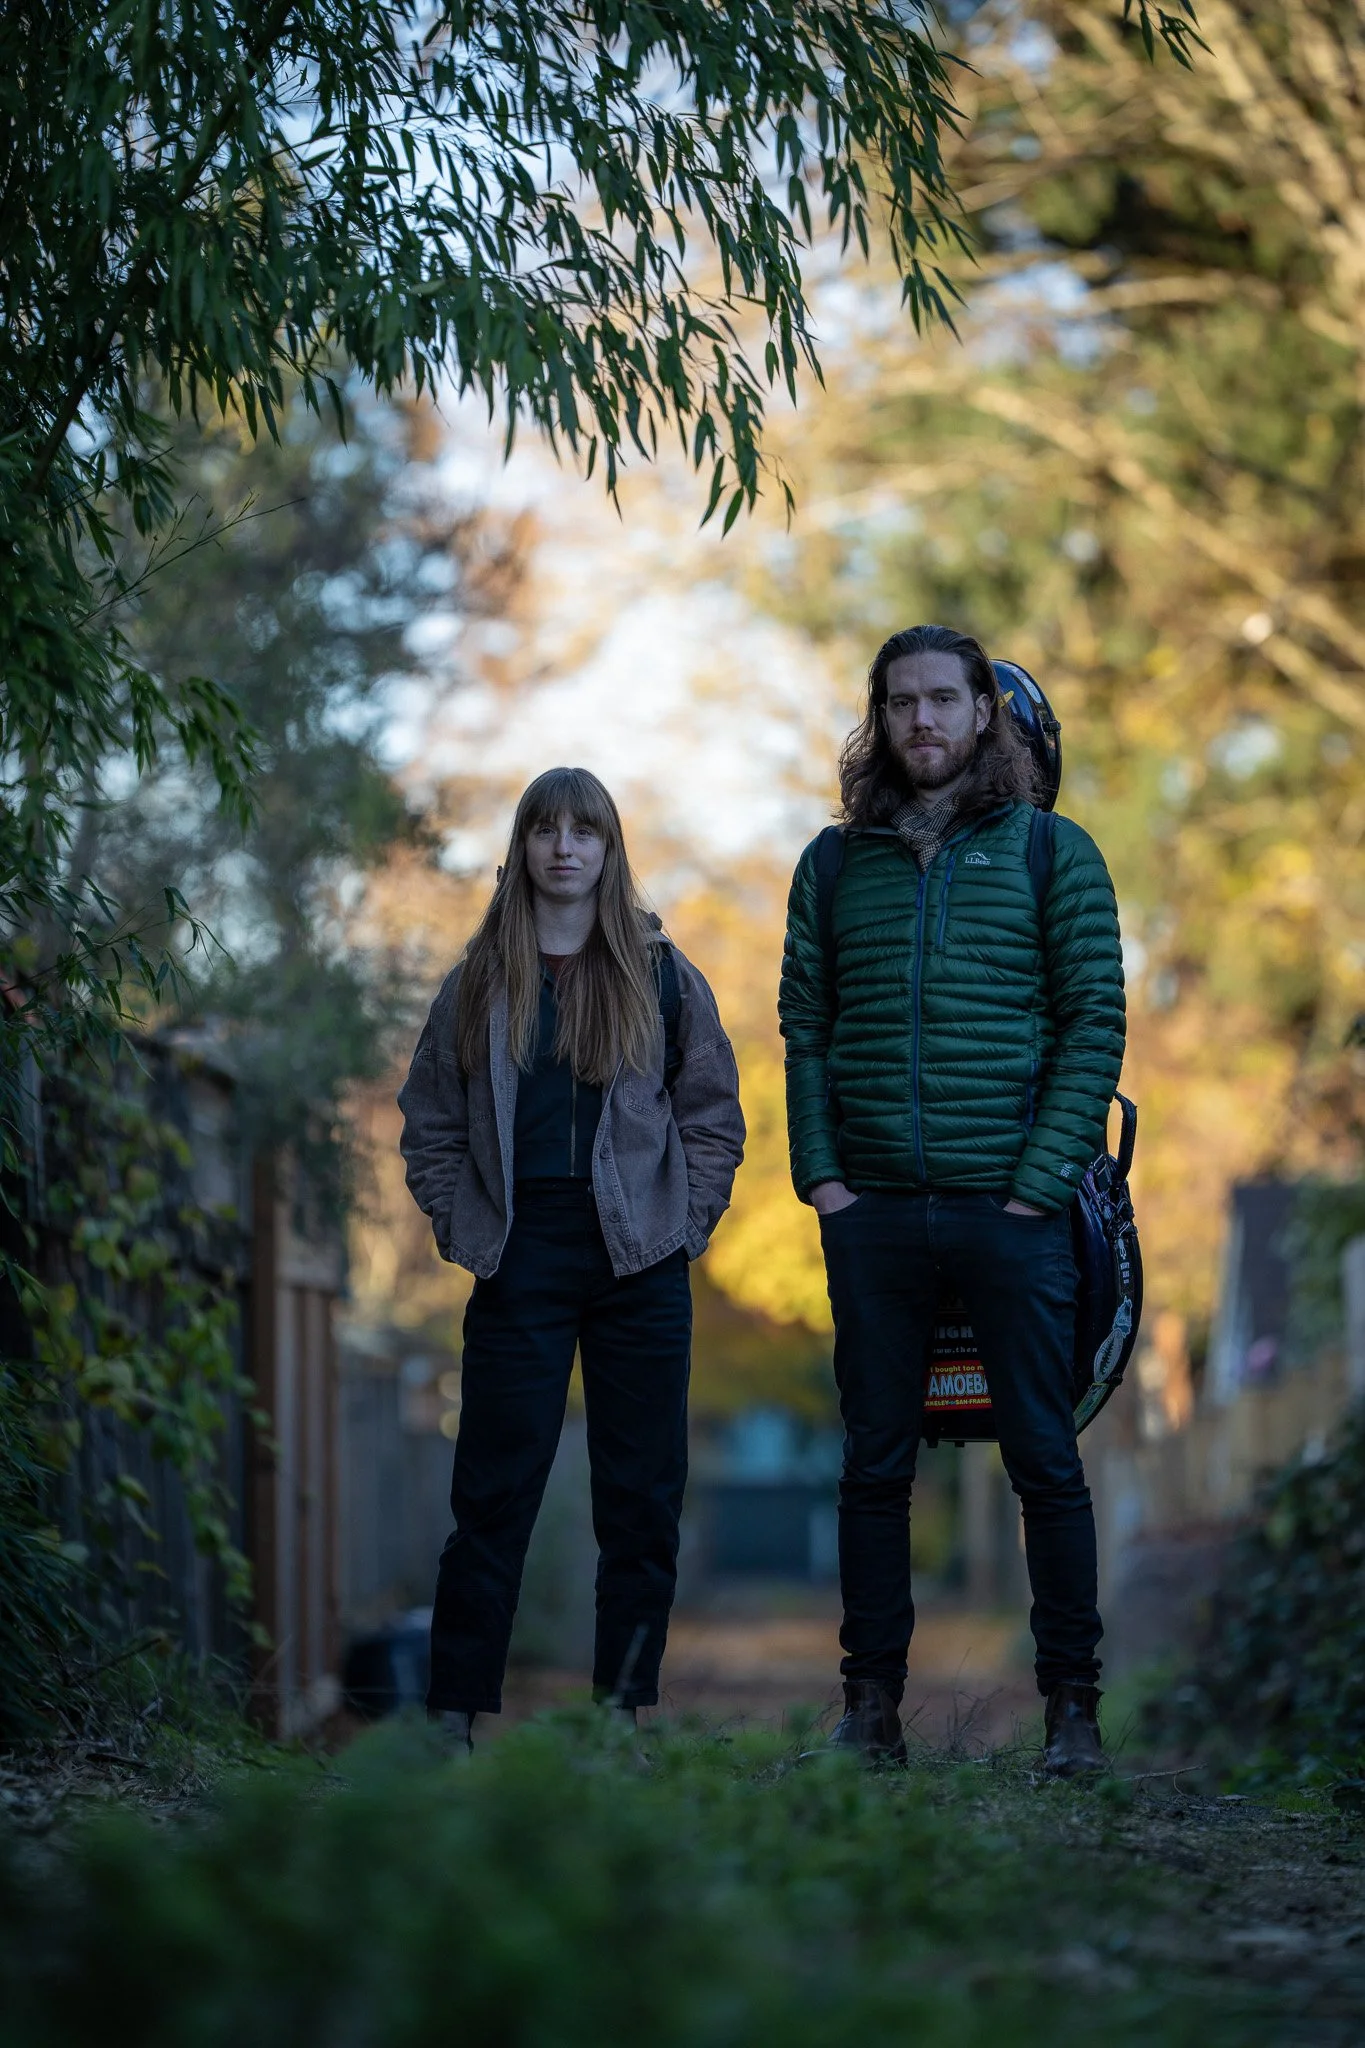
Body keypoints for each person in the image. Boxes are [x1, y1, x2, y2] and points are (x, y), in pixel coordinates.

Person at [778, 625, 1126, 1777]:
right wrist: (822, 1178)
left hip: (1009, 1210)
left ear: (986, 715)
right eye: (900, 703)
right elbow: (807, 1031)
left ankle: (1072, 1711)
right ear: (877, 720)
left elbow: (1093, 1029)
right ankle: (868, 1710)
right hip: (871, 1211)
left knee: (1045, 1460)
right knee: (874, 1467)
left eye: (944, 699)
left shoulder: (1052, 853)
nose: (921, 720)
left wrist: (1037, 1186)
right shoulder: (831, 867)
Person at [399, 767, 745, 1750]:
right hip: (520, 1256)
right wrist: (460, 1224)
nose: (563, 846)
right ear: (523, 847)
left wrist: (687, 1222)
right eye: (545, 829)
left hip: (641, 1259)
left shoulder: (662, 975)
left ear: (607, 847)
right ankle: (453, 1719)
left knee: (640, 1500)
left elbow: (714, 1118)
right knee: (492, 1494)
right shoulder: (477, 983)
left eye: (582, 830)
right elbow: (427, 1122)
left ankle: (621, 1719)